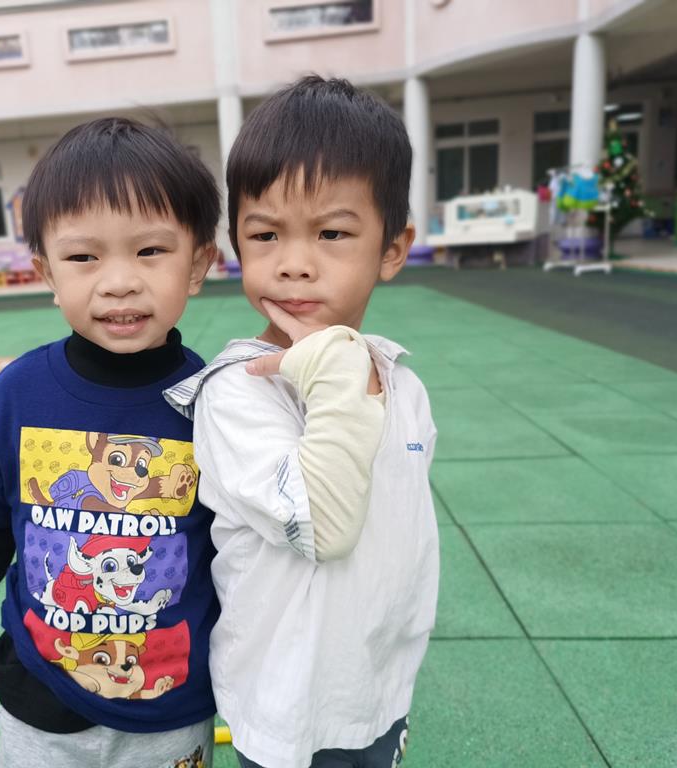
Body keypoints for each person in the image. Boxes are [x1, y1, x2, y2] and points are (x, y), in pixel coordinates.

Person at [0, 117, 222, 768]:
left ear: (198, 264)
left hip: (169, 702)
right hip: (40, 703)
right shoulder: (19, 392)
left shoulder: (215, 401)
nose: (118, 281)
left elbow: (239, 553)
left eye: (150, 251)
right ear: (46, 271)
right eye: (84, 257)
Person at [164, 76, 439, 768]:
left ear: (392, 248)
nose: (293, 265)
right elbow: (325, 526)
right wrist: (337, 369)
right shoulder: (238, 390)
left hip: (377, 684)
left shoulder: (400, 382)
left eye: (333, 233)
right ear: (237, 244)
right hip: (287, 706)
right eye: (265, 235)